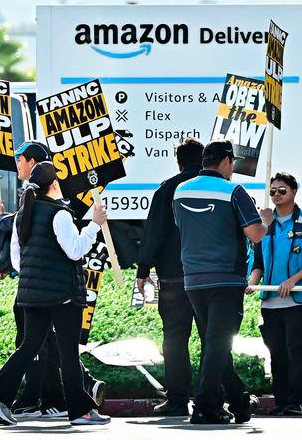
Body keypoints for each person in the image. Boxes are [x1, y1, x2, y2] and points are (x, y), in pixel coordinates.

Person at [0, 162, 110, 427]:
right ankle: (80, 411)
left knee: (29, 346)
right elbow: (75, 250)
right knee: (68, 353)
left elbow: (16, 262)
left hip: (30, 294)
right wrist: (94, 224)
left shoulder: (22, 214)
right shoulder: (60, 214)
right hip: (62, 294)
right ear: (54, 184)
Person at [173, 139, 269, 425]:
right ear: (227, 162)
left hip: (192, 278)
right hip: (226, 278)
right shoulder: (233, 191)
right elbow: (255, 234)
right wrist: (265, 221)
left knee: (214, 344)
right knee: (218, 343)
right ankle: (204, 405)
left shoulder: (180, 191)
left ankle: (239, 401)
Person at [246, 172, 302, 416]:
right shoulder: (265, 226)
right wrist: (252, 282)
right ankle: (281, 402)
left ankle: (297, 402)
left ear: (294, 192)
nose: (277, 195)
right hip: (270, 302)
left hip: (297, 301)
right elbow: (258, 263)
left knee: (296, 353)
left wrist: (292, 280)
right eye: (273, 191)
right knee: (276, 354)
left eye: (282, 190)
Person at [136, 137, 204, 416]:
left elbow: (154, 232)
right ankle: (217, 395)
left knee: (174, 340)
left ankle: (177, 399)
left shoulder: (167, 189)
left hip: (175, 279)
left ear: (178, 162)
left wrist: (143, 270)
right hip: (209, 279)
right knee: (214, 338)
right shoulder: (219, 188)